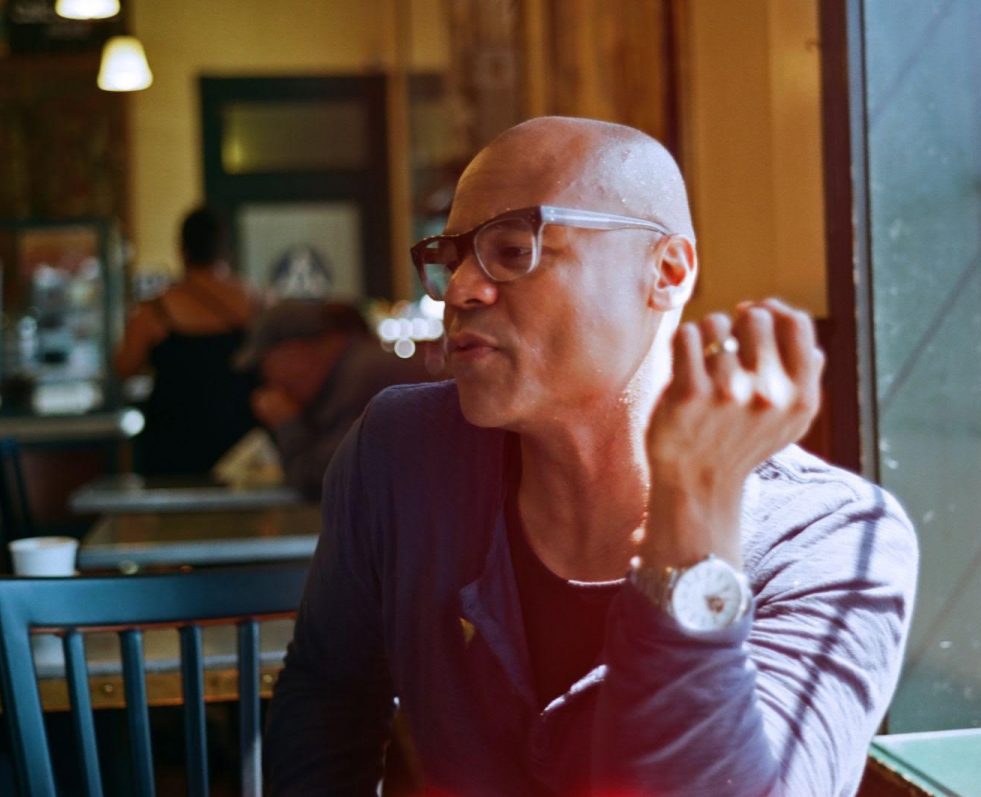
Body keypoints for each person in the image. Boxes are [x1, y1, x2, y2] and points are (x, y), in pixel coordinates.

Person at [265, 117, 919, 796]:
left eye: (512, 249)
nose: (460, 290)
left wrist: (691, 527)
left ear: (666, 271)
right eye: (450, 258)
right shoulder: (403, 453)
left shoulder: (833, 539)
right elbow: (328, 697)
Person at [234, 300, 433, 500]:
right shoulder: (355, 370)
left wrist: (287, 422)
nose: (268, 380)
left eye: (265, 366)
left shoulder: (361, 380)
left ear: (295, 355)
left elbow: (318, 482)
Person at [114, 207, 259, 476]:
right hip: (240, 443)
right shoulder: (254, 302)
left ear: (182, 250)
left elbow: (123, 367)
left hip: (172, 442)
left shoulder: (153, 311)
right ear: (225, 250)